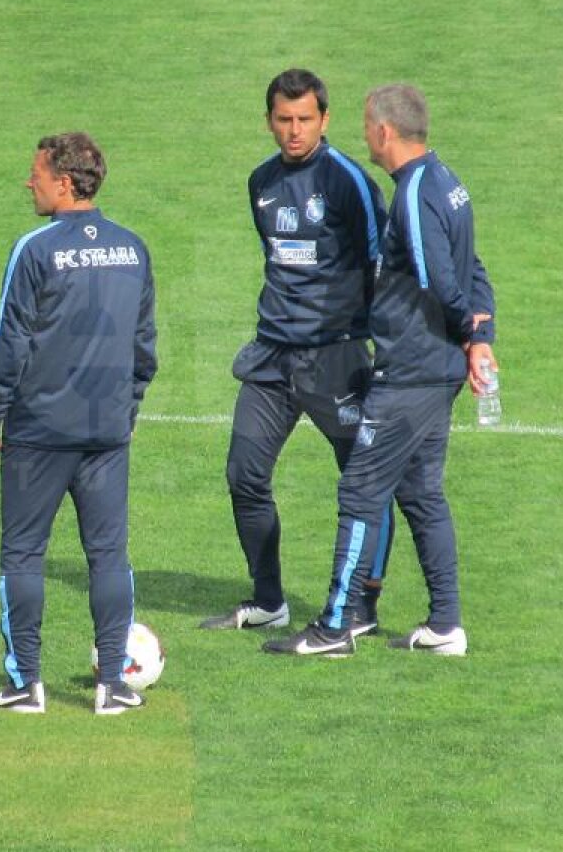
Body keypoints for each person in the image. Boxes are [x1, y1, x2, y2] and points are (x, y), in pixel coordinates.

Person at [264, 83, 497, 657]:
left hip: (411, 371)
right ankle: (446, 624)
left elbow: (438, 277)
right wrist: (480, 338)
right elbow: (476, 267)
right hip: (437, 368)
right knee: (420, 494)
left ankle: (337, 624)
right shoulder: (448, 182)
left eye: (368, 125)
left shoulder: (415, 193)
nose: (365, 134)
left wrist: (470, 333)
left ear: (384, 132)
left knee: (361, 490)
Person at [201, 69, 394, 635]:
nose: (293, 130)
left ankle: (363, 606)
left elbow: (381, 262)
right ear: (268, 120)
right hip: (270, 357)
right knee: (244, 475)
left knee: (363, 481)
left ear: (324, 119)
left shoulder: (348, 181)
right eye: (283, 119)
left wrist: (382, 343)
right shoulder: (260, 181)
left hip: (337, 357)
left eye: (304, 119)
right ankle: (268, 600)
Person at [0, 132, 157, 715]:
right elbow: (144, 346)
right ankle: (114, 684)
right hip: (107, 431)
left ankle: (26, 682)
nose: (27, 182)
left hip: (40, 431)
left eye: (35, 174)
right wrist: (125, 410)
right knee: (108, 555)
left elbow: (11, 342)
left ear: (63, 181)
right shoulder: (133, 248)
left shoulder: (34, 248)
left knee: (23, 554)